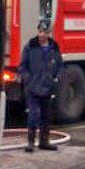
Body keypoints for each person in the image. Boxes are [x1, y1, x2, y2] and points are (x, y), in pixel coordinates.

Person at [19, 19, 64, 152]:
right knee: (33, 115)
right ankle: (30, 142)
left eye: (44, 32)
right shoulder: (30, 46)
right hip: (33, 88)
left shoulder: (54, 47)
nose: (41, 34)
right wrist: (28, 79)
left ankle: (44, 142)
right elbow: (23, 66)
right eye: (40, 31)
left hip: (47, 88)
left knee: (46, 116)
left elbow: (60, 66)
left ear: (49, 33)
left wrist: (57, 79)